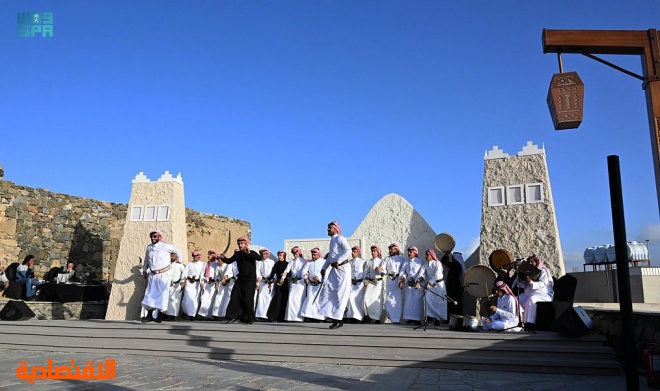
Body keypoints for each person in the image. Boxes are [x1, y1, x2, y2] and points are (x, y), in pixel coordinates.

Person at [141, 230, 183, 323]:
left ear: (159, 237)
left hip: (164, 275)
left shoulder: (166, 246)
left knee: (162, 294)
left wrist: (180, 260)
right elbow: (146, 260)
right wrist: (144, 270)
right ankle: (149, 315)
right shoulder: (149, 247)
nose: (153, 238)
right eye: (151, 236)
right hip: (153, 274)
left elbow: (176, 250)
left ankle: (159, 316)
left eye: (155, 236)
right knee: (150, 294)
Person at [317, 221, 352, 329]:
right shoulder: (332, 241)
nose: (328, 230)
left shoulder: (340, 238)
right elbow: (330, 257)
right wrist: (324, 268)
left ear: (336, 229)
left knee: (340, 294)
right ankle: (335, 317)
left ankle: (338, 320)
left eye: (330, 228)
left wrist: (339, 261)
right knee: (328, 291)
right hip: (334, 269)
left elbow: (348, 251)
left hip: (342, 269)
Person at [219, 236, 261, 324]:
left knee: (247, 299)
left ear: (246, 244)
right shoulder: (238, 254)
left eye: (242, 243)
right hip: (240, 279)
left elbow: (259, 258)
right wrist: (223, 257)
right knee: (234, 296)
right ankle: (232, 316)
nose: (240, 245)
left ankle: (249, 318)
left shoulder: (251, 253)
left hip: (250, 280)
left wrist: (249, 253)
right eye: (239, 244)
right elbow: (229, 260)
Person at [517, 255, 554, 325]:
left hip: (543, 294)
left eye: (532, 262)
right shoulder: (528, 271)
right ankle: (518, 321)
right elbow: (525, 286)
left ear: (536, 261)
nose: (530, 263)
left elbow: (542, 284)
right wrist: (520, 281)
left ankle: (529, 322)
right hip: (529, 293)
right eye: (529, 262)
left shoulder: (542, 271)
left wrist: (531, 282)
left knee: (531, 299)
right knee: (518, 298)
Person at [399, 246, 425, 325]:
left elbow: (423, 273)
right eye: (408, 252)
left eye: (411, 252)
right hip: (409, 284)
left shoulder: (420, 261)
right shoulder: (406, 261)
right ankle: (411, 318)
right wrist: (402, 280)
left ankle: (417, 319)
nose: (409, 253)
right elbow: (403, 272)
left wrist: (418, 282)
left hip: (417, 285)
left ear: (415, 252)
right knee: (409, 302)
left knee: (417, 303)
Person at [423, 249, 447, 325]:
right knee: (427, 299)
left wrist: (429, 282)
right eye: (426, 255)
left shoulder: (437, 263)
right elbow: (424, 274)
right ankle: (429, 316)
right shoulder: (426, 264)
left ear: (432, 255)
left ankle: (437, 319)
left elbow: (437, 274)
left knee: (438, 302)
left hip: (439, 285)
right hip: (430, 285)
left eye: (427, 255)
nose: (426, 256)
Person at [299, 248, 324, 321]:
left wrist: (319, 279)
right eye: (312, 254)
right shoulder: (309, 263)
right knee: (309, 298)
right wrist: (305, 277)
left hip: (320, 284)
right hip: (311, 283)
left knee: (318, 300)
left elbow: (327, 272)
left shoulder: (323, 262)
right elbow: (304, 271)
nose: (313, 256)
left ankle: (319, 317)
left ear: (319, 254)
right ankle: (309, 316)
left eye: (314, 255)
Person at [362, 245, 385, 323]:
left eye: (374, 251)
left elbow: (385, 272)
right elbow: (366, 273)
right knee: (365, 298)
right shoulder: (368, 262)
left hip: (378, 283)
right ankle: (367, 316)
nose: (373, 252)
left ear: (378, 252)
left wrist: (380, 270)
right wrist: (365, 281)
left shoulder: (382, 261)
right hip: (371, 282)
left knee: (376, 301)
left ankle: (377, 318)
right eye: (372, 251)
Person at [282, 246, 306, 322]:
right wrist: (282, 278)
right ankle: (290, 317)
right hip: (293, 283)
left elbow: (304, 272)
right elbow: (286, 271)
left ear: (299, 253)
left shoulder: (303, 261)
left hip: (300, 283)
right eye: (294, 253)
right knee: (291, 299)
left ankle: (298, 318)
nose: (295, 255)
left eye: (296, 253)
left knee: (298, 300)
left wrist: (299, 277)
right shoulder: (291, 262)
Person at [383, 243, 405, 323]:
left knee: (397, 301)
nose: (390, 251)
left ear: (396, 249)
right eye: (389, 249)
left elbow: (403, 271)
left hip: (398, 281)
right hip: (390, 281)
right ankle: (391, 318)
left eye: (392, 249)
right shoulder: (386, 259)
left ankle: (396, 319)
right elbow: (384, 269)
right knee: (388, 300)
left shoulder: (402, 259)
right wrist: (382, 271)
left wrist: (401, 281)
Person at [197, 250, 222, 320]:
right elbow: (202, 274)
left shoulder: (216, 264)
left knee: (211, 299)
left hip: (213, 283)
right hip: (206, 284)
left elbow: (218, 275)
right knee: (204, 298)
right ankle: (203, 315)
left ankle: (210, 315)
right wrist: (202, 282)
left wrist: (217, 282)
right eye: (208, 254)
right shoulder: (205, 264)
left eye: (210, 255)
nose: (208, 256)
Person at [266, 250, 289, 322]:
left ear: (284, 256)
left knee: (284, 300)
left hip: (285, 284)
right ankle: (273, 317)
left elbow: (289, 273)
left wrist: (285, 276)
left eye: (281, 255)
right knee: (277, 299)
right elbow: (273, 272)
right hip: (278, 284)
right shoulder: (276, 264)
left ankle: (282, 318)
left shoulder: (288, 264)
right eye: (279, 255)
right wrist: (271, 279)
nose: (279, 257)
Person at [181, 250, 205, 321]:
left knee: (195, 300)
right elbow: (185, 273)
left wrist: (201, 282)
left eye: (196, 256)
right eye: (193, 256)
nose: (194, 258)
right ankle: (188, 314)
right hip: (189, 283)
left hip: (197, 284)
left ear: (199, 257)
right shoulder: (189, 264)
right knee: (187, 298)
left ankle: (193, 315)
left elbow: (202, 274)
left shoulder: (202, 264)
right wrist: (183, 280)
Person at [345, 246, 366, 323]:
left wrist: (365, 281)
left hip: (360, 284)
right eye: (352, 252)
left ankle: (358, 317)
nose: (352, 253)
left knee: (357, 299)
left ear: (358, 252)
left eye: (354, 252)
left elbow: (365, 272)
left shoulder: (363, 261)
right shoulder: (350, 262)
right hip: (352, 283)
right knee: (349, 298)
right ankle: (351, 316)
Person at [441, 250, 464, 319]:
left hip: (454, 286)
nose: (453, 258)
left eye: (454, 257)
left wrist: (446, 255)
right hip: (453, 285)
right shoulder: (456, 265)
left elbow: (446, 262)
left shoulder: (457, 265)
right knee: (451, 302)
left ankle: (454, 318)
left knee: (454, 303)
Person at [254, 248, 275, 321]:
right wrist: (258, 282)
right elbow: (258, 272)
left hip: (269, 282)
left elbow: (274, 272)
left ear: (268, 255)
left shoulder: (271, 262)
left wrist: (271, 280)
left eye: (265, 254)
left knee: (268, 299)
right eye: (262, 254)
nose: (264, 255)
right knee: (261, 298)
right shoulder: (259, 262)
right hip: (262, 282)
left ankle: (266, 315)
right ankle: (260, 315)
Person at [164, 251, 185, 321]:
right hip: (169, 285)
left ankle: (173, 316)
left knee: (175, 300)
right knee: (168, 300)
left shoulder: (180, 265)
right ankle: (168, 315)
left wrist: (182, 281)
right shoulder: (167, 265)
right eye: (170, 255)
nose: (171, 257)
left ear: (176, 257)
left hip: (177, 285)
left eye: (173, 256)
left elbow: (184, 273)